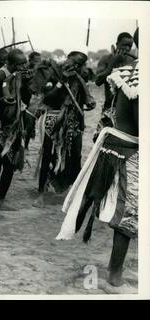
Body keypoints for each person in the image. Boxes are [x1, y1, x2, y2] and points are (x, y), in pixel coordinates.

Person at [57, 29, 139, 291]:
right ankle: (114, 277)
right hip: (128, 147)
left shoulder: (131, 70)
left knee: (125, 210)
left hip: (119, 141)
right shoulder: (133, 72)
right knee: (129, 214)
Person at [33, 51, 95, 208]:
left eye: (80, 65)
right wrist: (62, 82)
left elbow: (86, 100)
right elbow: (47, 98)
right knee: (48, 155)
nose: (77, 67)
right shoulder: (55, 74)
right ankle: (41, 193)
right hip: (54, 119)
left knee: (75, 156)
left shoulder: (82, 77)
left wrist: (87, 102)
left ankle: (73, 192)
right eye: (73, 62)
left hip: (74, 122)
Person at [0, 49, 30, 218]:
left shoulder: (19, 75)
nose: (25, 65)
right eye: (21, 63)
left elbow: (25, 100)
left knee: (9, 165)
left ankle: (0, 201)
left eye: (25, 62)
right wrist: (0, 100)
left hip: (13, 126)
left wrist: (27, 84)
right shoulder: (0, 74)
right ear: (10, 63)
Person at [93, 32, 134, 142]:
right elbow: (97, 81)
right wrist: (112, 63)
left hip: (126, 110)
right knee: (102, 141)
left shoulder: (132, 61)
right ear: (117, 44)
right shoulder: (106, 59)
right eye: (124, 45)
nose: (127, 48)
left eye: (130, 46)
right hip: (109, 109)